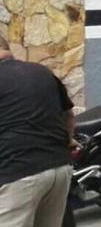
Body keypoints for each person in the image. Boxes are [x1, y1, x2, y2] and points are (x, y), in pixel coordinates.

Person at [0, 37, 75, 227]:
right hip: (59, 170)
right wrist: (68, 141)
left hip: (17, 174)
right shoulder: (42, 72)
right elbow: (68, 115)